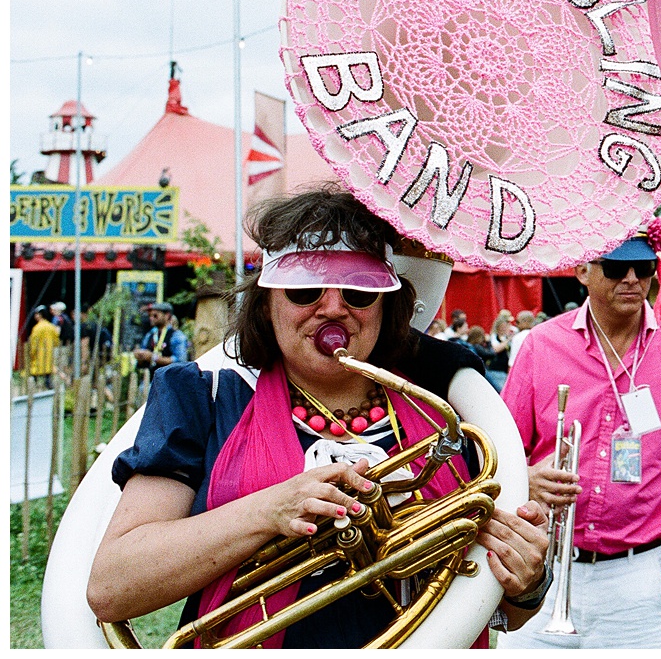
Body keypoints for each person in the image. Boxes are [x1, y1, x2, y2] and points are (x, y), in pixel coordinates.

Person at [88, 185, 549, 647]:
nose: (332, 307)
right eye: (304, 289)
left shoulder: (447, 411)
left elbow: (501, 613)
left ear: (388, 305)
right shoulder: (201, 396)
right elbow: (111, 587)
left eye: (359, 292)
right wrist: (271, 509)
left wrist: (525, 587)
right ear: (266, 302)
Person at [502, 220, 661, 648]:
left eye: (643, 267)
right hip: (541, 565)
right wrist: (524, 477)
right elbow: (494, 451)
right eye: (616, 268)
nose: (632, 279)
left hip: (639, 579)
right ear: (582, 270)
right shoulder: (541, 346)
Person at [135, 302, 189, 376]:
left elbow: (180, 361)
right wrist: (140, 356)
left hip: (169, 381)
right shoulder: (150, 334)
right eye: (149, 315)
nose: (151, 318)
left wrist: (153, 358)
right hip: (150, 380)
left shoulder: (176, 335)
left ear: (167, 315)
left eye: (155, 315)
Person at [26, 306, 60, 390]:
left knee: (34, 380)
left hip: (38, 359)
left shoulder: (37, 328)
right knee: (47, 379)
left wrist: (31, 355)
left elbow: (33, 345)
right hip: (48, 358)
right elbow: (56, 342)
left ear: (39, 315)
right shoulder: (51, 327)